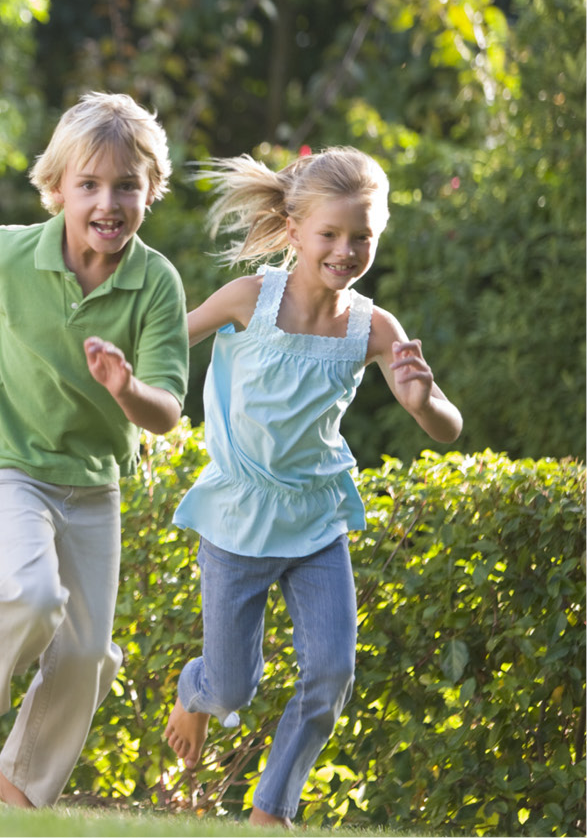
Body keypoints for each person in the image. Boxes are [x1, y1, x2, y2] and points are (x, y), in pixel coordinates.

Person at [0, 92, 189, 808]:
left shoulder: (155, 285)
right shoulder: (8, 254)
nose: (107, 201)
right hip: (8, 464)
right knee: (31, 593)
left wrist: (124, 388)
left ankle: (20, 792)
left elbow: (167, 412)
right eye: (88, 184)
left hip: (92, 484)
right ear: (55, 188)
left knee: (88, 654)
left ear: (151, 190)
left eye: (126, 185)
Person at [161, 146, 463, 826]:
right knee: (233, 686)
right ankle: (196, 689)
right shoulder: (249, 299)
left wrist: (421, 402)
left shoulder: (372, 328)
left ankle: (272, 807)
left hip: (316, 522)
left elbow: (447, 425)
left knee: (330, 673)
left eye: (362, 236)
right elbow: (169, 342)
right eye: (329, 234)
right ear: (293, 230)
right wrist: (119, 374)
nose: (346, 249)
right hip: (238, 518)